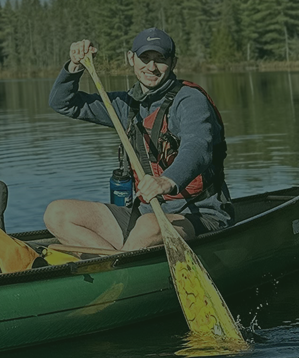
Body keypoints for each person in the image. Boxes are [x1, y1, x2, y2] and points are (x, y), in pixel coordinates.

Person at [43, 28, 232, 251]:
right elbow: (63, 103)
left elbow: (198, 147)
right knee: (57, 214)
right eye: (145, 58)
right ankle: (114, 265)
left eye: (160, 59)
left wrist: (167, 180)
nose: (151, 67)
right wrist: (74, 66)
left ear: (173, 62)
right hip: (145, 214)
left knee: (148, 227)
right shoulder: (126, 105)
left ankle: (117, 272)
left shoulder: (190, 100)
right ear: (131, 59)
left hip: (200, 214)